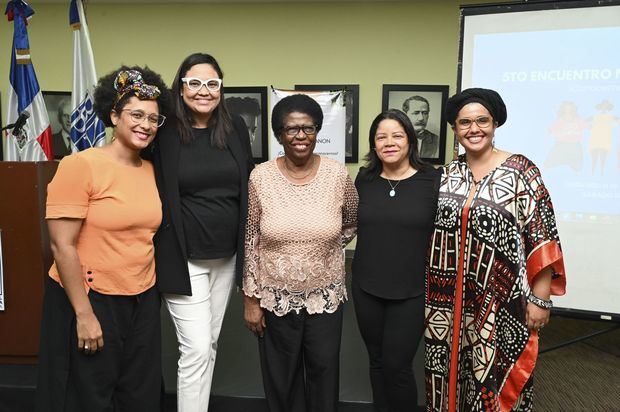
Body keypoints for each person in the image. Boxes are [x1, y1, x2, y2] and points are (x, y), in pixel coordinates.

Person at [35, 66, 170, 411]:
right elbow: (61, 246)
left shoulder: (153, 170)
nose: (146, 125)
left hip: (141, 300)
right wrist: (84, 314)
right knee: (87, 397)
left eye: (154, 119)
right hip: (90, 299)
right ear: (114, 115)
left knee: (139, 395)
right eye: (136, 114)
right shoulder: (81, 165)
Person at [425, 88, 567, 411]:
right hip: (446, 304)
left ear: (495, 123)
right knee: (448, 377)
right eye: (464, 122)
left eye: (481, 121)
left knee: (494, 382)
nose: (473, 129)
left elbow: (542, 235)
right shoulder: (447, 174)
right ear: (454, 129)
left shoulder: (521, 172)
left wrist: (540, 298)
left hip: (501, 301)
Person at [143, 53, 254, 412]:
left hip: (227, 257)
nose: (203, 91)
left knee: (210, 344)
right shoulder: (165, 130)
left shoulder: (235, 126)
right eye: (194, 82)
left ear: (221, 88)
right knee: (195, 348)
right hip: (183, 256)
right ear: (180, 86)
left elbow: (248, 184)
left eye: (212, 83)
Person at [242, 94, 358, 412]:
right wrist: (251, 299)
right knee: (282, 378)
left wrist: (323, 249)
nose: (300, 136)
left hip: (325, 297)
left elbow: (351, 221)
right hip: (274, 297)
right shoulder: (260, 177)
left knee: (324, 374)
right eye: (291, 129)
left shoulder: (337, 175)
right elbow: (251, 239)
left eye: (308, 128)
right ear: (279, 134)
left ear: (318, 131)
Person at [352, 109, 440, 412]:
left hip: (411, 291)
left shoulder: (433, 181)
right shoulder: (364, 179)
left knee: (397, 366)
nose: (389, 142)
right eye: (381, 137)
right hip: (366, 287)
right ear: (374, 144)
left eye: (397, 135)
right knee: (376, 362)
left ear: (410, 141)